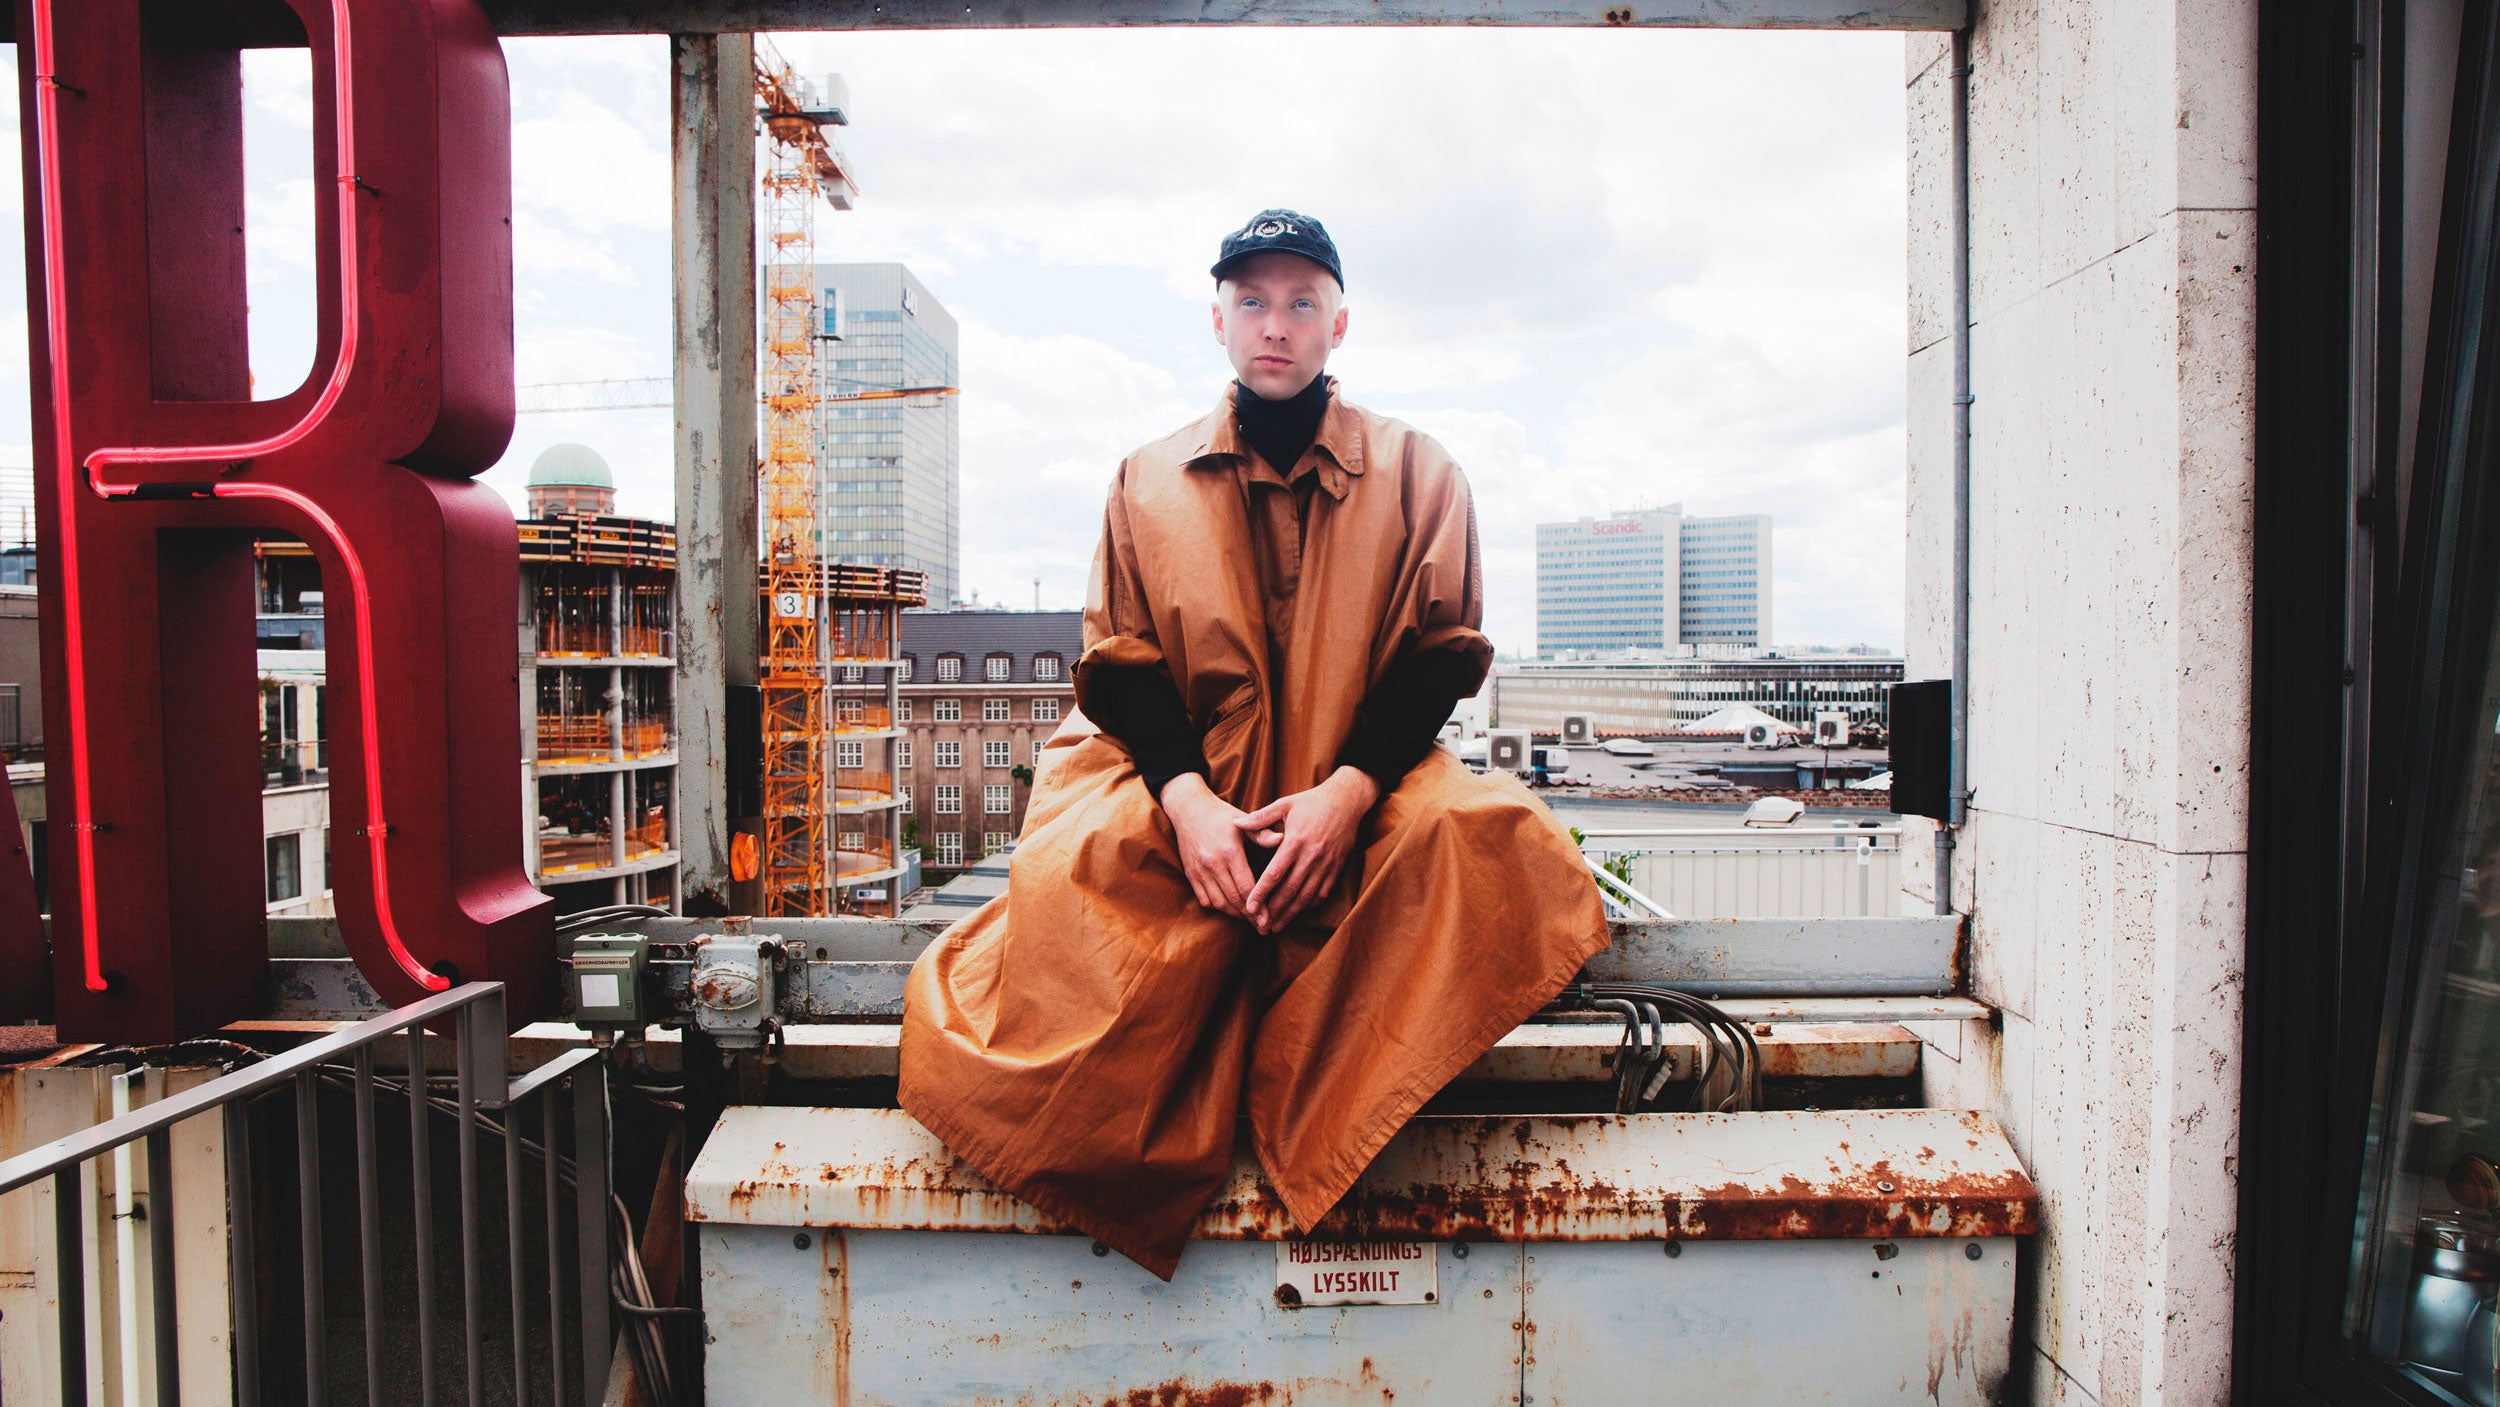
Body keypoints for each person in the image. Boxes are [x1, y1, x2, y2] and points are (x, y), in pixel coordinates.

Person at [900, 209, 1610, 1278]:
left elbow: (1439, 655)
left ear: (1338, 325)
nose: (1275, 325)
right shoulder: (1146, 479)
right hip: (1184, 777)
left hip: (1357, 771)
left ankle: (1311, 1129)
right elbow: (1122, 664)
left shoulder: (1420, 471)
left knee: (1486, 840)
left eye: (1300, 303)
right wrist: (1188, 806)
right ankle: (1127, 1138)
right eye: (1252, 302)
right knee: (1080, 864)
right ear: (1219, 320)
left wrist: (1347, 797)